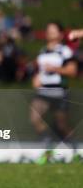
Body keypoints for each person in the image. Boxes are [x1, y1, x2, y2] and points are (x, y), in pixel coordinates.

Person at [30, 22, 78, 163]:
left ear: (60, 34)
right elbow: (40, 72)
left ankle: (76, 151)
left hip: (59, 93)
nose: (49, 32)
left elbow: (73, 70)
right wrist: (36, 79)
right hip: (43, 92)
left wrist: (56, 69)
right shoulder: (42, 51)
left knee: (62, 126)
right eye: (48, 29)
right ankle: (48, 150)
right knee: (35, 117)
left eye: (53, 30)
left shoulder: (65, 51)